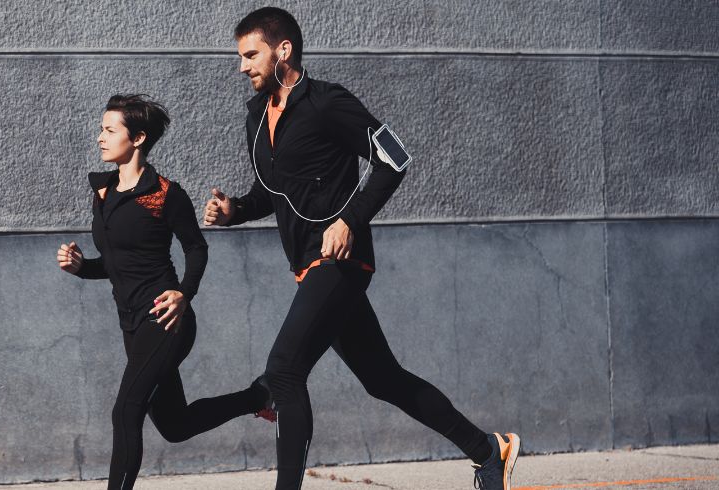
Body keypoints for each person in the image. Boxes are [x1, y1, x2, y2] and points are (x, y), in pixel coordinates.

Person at [202, 8, 521, 490]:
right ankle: (488, 450)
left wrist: (350, 220)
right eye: (241, 57)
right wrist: (236, 210)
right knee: (382, 378)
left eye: (251, 55)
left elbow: (396, 158)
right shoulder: (256, 116)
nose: (242, 66)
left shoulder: (328, 103)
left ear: (283, 50)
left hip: (340, 263)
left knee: (284, 373)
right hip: (307, 266)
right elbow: (273, 191)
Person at [57, 94, 272, 490]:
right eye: (101, 129)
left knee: (126, 411)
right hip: (131, 324)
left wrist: (184, 294)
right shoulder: (103, 193)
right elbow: (117, 264)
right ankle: (257, 396)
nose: (101, 137)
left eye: (110, 130)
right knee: (175, 426)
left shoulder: (164, 194)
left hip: (165, 317)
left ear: (138, 138)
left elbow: (196, 248)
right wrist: (81, 266)